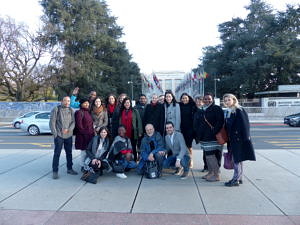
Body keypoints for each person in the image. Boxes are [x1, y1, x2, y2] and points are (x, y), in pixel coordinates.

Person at [223, 93, 256, 187]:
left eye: (229, 100)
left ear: (234, 100)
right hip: (232, 139)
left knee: (236, 159)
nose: (227, 102)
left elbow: (245, 125)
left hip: (239, 139)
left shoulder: (239, 109)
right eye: (225, 100)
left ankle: (235, 179)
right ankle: (239, 178)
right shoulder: (229, 110)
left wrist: (246, 139)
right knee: (238, 159)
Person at [194, 93, 224, 182]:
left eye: (209, 99)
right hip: (204, 138)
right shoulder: (203, 109)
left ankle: (216, 175)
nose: (207, 100)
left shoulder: (216, 108)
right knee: (207, 156)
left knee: (211, 156)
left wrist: (213, 132)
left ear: (213, 99)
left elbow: (220, 122)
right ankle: (211, 172)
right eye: (205, 99)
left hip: (212, 137)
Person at [49, 96, 78, 179]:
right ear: (61, 101)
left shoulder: (71, 110)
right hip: (59, 136)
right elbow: (52, 122)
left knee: (69, 153)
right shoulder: (56, 109)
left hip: (68, 135)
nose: (67, 102)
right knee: (57, 154)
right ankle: (55, 171)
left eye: (68, 101)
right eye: (65, 101)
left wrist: (69, 129)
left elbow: (73, 122)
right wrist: (55, 134)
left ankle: (70, 169)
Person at [74, 98, 95, 172]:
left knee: (88, 151)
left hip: (90, 135)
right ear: (81, 104)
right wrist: (85, 134)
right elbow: (79, 126)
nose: (87, 104)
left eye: (88, 103)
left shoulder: (88, 112)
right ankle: (82, 166)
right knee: (83, 152)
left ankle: (86, 164)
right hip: (83, 136)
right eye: (85, 103)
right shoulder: (79, 112)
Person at [179, 93, 197, 168]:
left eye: (186, 98)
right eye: (183, 98)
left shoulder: (192, 106)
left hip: (189, 129)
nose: (184, 99)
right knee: (181, 146)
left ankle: (190, 160)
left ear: (189, 98)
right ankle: (182, 161)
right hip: (181, 129)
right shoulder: (179, 106)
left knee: (189, 146)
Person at [193, 95, 207, 172]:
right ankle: (206, 166)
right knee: (204, 151)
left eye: (200, 101)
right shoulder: (195, 110)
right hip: (200, 134)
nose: (198, 103)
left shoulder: (205, 110)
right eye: (197, 101)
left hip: (206, 134)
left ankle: (209, 167)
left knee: (208, 152)